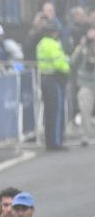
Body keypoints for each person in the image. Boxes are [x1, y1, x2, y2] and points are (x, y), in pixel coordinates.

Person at [37, 22, 71, 150]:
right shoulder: (53, 45)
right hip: (54, 79)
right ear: (54, 32)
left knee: (49, 112)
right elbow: (59, 64)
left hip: (45, 78)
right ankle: (55, 142)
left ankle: (49, 141)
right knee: (56, 112)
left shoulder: (41, 44)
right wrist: (68, 67)